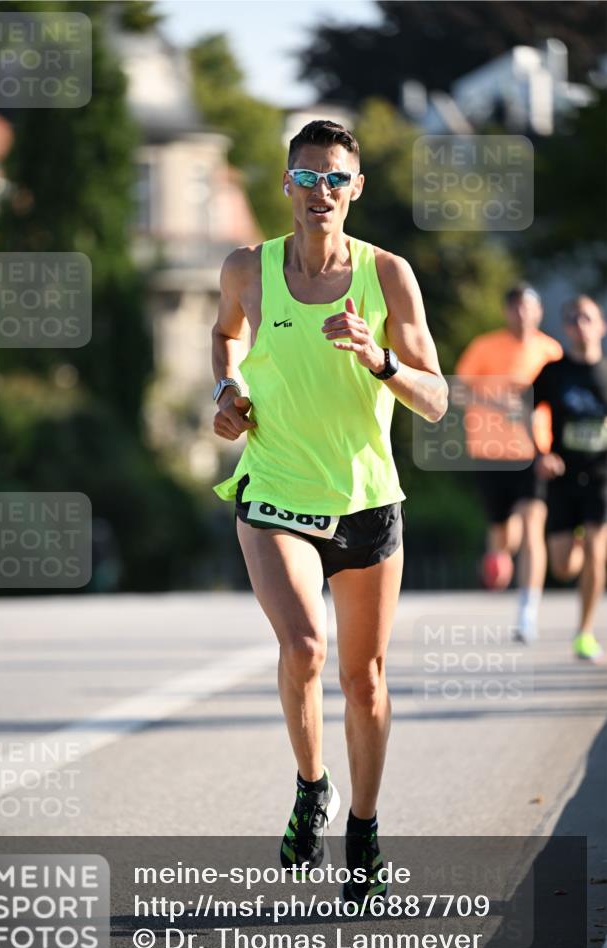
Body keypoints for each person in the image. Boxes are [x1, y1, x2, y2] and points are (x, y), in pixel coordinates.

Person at [211, 120, 447, 902]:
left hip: (366, 503)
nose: (320, 192)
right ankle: (312, 784)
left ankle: (365, 827)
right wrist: (227, 392)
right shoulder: (248, 267)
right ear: (286, 184)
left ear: (356, 189)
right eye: (307, 177)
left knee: (365, 678)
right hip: (275, 487)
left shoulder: (389, 277)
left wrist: (379, 359)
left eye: (335, 179)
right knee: (305, 646)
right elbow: (225, 337)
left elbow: (437, 399)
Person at [455, 285, 563, 642]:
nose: (522, 315)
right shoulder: (485, 346)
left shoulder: (551, 351)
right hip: (489, 453)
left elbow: (562, 403)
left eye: (528, 308)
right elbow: (457, 389)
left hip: (533, 454)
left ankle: (527, 612)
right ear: (507, 312)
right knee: (504, 534)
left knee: (534, 526)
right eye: (515, 308)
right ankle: (498, 552)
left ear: (539, 312)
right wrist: (499, 404)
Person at [533, 295, 607, 662]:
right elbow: (526, 410)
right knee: (563, 566)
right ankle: (576, 542)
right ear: (566, 328)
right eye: (574, 318)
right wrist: (540, 453)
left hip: (600, 478)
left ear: (601, 326)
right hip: (562, 476)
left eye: (588, 318)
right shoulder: (554, 373)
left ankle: (584, 632)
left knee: (598, 550)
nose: (581, 324)